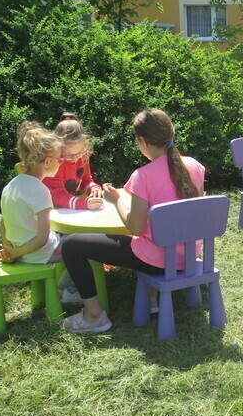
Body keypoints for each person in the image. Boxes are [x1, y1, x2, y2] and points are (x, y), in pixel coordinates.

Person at [60, 109, 205, 333]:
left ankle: (93, 315)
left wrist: (116, 200)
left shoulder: (143, 175)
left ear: (142, 141)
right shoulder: (194, 165)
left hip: (156, 259)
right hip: (187, 254)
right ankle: (151, 299)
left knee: (71, 245)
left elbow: (135, 227)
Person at [0, 123, 63, 265]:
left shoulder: (11, 185)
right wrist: (16, 253)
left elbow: (3, 221)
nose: (60, 163)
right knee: (81, 246)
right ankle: (68, 281)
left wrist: (10, 249)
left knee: (68, 238)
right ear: (47, 162)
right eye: (59, 159)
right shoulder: (39, 190)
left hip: (23, 253)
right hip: (43, 254)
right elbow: (42, 239)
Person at [43, 113, 104, 210]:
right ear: (57, 148)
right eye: (69, 155)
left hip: (68, 208)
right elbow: (57, 195)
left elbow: (86, 180)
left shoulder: (83, 157)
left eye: (79, 153)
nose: (75, 159)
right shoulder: (55, 163)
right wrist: (83, 203)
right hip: (48, 209)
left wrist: (93, 188)